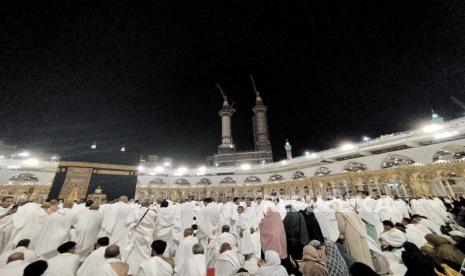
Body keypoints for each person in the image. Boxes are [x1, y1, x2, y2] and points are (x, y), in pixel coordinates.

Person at [124, 200, 157, 275]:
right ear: (149, 204)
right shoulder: (153, 213)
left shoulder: (136, 211)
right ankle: (145, 268)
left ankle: (133, 268)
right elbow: (154, 223)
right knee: (146, 251)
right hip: (148, 234)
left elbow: (128, 222)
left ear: (141, 204)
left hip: (138, 233)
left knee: (135, 250)